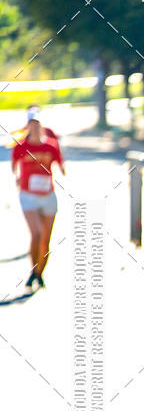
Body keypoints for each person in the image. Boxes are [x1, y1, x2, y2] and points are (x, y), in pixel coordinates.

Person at [11, 115, 65, 290]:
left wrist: (61, 168)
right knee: (37, 233)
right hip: (28, 195)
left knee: (45, 240)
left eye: (37, 125)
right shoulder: (21, 146)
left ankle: (39, 274)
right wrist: (18, 177)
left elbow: (61, 165)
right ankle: (33, 270)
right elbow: (14, 166)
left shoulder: (51, 145)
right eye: (31, 126)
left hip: (48, 195)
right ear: (27, 128)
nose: (34, 129)